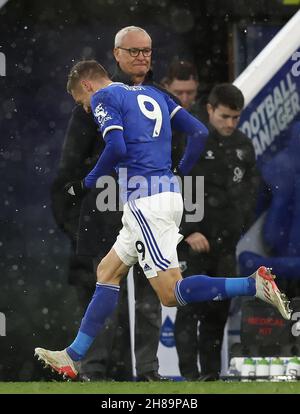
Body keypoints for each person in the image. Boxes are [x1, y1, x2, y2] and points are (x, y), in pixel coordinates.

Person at [34, 60, 291, 380]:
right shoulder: (155, 95)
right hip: (161, 198)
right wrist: (178, 172)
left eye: (80, 102)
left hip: (146, 205)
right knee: (107, 271)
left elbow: (115, 146)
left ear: (87, 86)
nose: (85, 109)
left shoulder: (103, 97)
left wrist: (86, 183)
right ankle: (73, 356)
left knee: (170, 293)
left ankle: (253, 285)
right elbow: (198, 132)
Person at [53, 26, 173, 381]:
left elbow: (177, 155)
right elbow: (69, 169)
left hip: (148, 204)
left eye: (147, 51)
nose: (141, 57)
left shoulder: (159, 96)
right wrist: (78, 215)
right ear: (116, 54)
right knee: (106, 292)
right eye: (133, 51)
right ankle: (94, 371)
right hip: (106, 212)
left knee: (152, 297)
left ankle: (149, 371)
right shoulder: (96, 101)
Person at [170, 80, 262, 381]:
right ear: (209, 109)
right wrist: (189, 230)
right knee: (189, 310)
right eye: (224, 116)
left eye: (236, 117)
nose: (230, 123)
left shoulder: (242, 145)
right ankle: (188, 377)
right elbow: (177, 186)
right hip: (193, 243)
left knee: (218, 312)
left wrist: (238, 226)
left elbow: (252, 188)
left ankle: (210, 377)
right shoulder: (192, 138)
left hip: (225, 243)